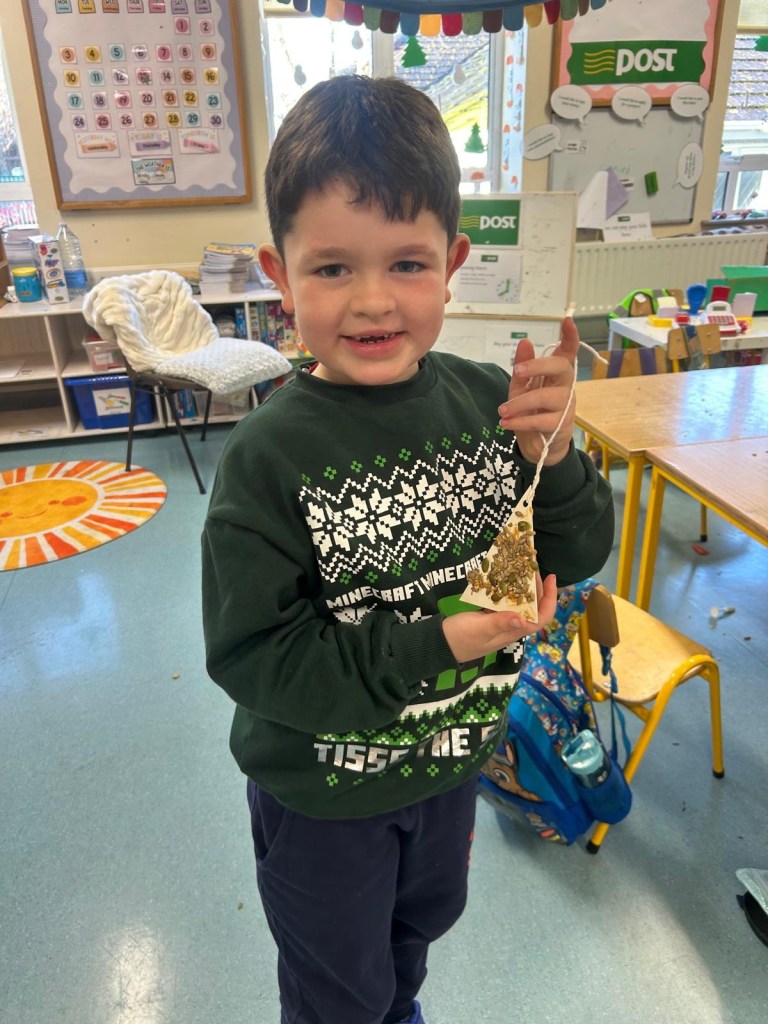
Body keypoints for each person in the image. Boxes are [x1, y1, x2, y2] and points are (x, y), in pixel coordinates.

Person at [202, 75, 614, 1024]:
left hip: (450, 766)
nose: (373, 300)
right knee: (338, 991)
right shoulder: (267, 458)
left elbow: (577, 547)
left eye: (407, 263)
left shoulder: (485, 403)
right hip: (324, 797)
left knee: (413, 941)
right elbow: (255, 655)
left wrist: (551, 457)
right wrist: (442, 642)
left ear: (453, 262)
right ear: (279, 273)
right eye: (331, 268)